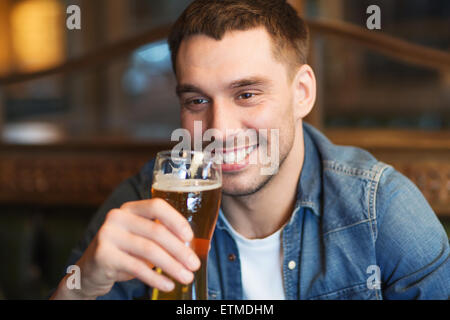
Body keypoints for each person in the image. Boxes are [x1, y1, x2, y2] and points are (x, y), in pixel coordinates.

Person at [50, 0, 449, 300]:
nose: (219, 131)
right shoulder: (147, 202)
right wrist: (82, 283)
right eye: (197, 101)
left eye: (247, 94)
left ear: (302, 93)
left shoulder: (380, 209)